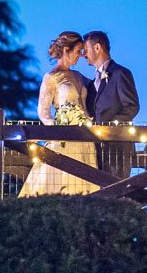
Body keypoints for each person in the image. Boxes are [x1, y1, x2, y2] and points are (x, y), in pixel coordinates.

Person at [20, 31, 97, 196]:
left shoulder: (79, 76)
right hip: (64, 139)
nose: (80, 56)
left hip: (85, 138)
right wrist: (57, 130)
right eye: (77, 51)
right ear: (66, 50)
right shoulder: (51, 77)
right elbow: (43, 111)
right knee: (61, 183)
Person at [83, 30, 139, 178]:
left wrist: (109, 126)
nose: (83, 54)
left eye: (86, 49)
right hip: (97, 148)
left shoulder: (120, 73)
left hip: (118, 146)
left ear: (97, 48)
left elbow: (132, 106)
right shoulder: (91, 83)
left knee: (117, 192)